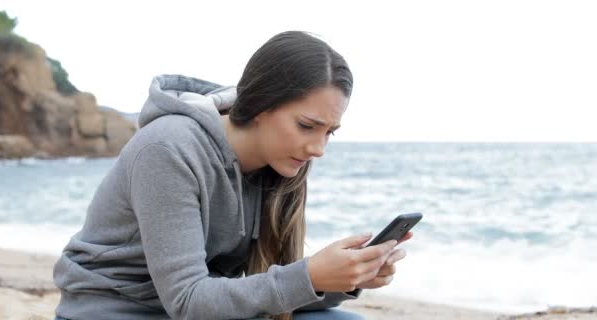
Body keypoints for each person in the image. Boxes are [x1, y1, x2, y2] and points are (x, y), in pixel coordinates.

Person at [53, 31, 412, 320]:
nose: (318, 148)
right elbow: (188, 300)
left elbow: (266, 291)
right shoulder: (169, 148)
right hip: (114, 310)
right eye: (307, 126)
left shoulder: (283, 161)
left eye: (330, 131)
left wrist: (343, 279)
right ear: (260, 105)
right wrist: (308, 275)